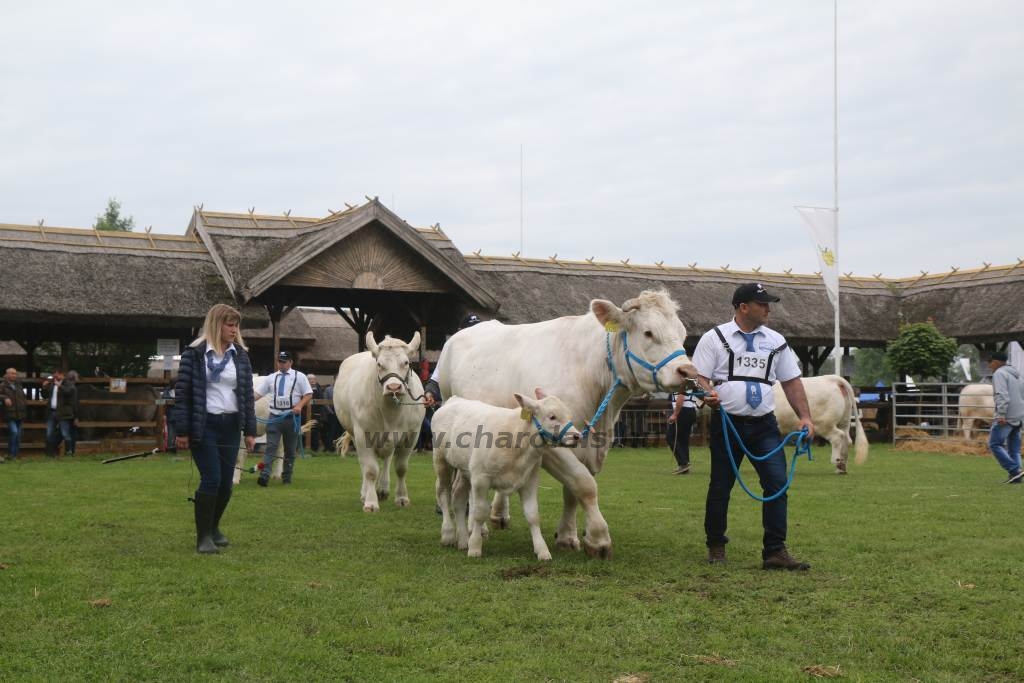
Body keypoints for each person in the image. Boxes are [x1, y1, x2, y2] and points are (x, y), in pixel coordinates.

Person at [691, 282, 815, 570]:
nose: (768, 308)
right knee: (721, 485)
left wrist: (806, 417)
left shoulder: (776, 341)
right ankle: (716, 544)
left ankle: (775, 550)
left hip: (764, 426)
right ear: (743, 307)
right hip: (727, 423)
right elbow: (699, 377)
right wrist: (706, 393)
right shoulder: (714, 338)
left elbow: (791, 381)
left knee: (777, 484)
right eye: (762, 304)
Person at [172, 303, 257, 554]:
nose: (234, 329)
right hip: (204, 424)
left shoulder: (240, 355)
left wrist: (250, 431)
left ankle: (214, 528)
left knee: (226, 485)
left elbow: (247, 396)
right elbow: (183, 394)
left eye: (236, 325)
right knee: (212, 478)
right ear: (216, 324)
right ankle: (203, 537)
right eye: (229, 324)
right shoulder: (194, 353)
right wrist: (182, 431)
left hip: (230, 425)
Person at [254, 351, 313, 486]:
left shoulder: (300, 377)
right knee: (271, 447)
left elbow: (308, 393)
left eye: (284, 361)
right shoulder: (271, 378)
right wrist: (245, 401)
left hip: (291, 417)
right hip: (274, 416)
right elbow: (257, 394)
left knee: (290, 450)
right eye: (279, 361)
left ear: (290, 362)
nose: (281, 364)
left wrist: (299, 405)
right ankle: (265, 475)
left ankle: (287, 477)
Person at [987, 351, 1023, 484]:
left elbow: (1002, 395)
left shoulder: (999, 374)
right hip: (1019, 416)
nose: (990, 365)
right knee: (1014, 449)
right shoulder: (1017, 375)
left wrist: (1001, 414)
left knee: (994, 444)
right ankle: (1016, 477)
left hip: (1006, 416)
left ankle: (1015, 470)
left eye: (990, 362)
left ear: (996, 362)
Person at [41, 367, 78, 458]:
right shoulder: (52, 384)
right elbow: (45, 396)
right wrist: (44, 387)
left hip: (63, 413)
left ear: (61, 374)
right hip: (52, 411)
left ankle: (68, 452)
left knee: (65, 433)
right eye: (54, 374)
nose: (54, 375)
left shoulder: (68, 383)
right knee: (49, 433)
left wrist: (59, 385)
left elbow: (69, 392)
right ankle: (50, 454)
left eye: (56, 374)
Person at [667, 391, 697, 474]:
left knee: (670, 437)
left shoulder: (681, 382)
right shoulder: (689, 381)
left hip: (683, 411)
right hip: (691, 410)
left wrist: (675, 414)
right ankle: (685, 466)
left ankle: (683, 463)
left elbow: (681, 397)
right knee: (683, 440)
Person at [2, 367, 28, 462]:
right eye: (12, 373)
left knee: (18, 435)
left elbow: (22, 398)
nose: (14, 375)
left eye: (15, 374)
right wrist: (5, 398)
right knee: (14, 432)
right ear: (7, 374)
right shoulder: (3, 385)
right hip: (9, 414)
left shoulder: (18, 385)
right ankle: (11, 454)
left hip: (20, 414)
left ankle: (15, 455)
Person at [306, 373, 324, 452]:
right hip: (305, 413)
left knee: (315, 431)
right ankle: (306, 447)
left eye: (313, 379)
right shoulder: (304, 387)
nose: (312, 381)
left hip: (316, 413)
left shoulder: (318, 388)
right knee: (305, 430)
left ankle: (315, 449)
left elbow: (321, 398)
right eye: (310, 379)